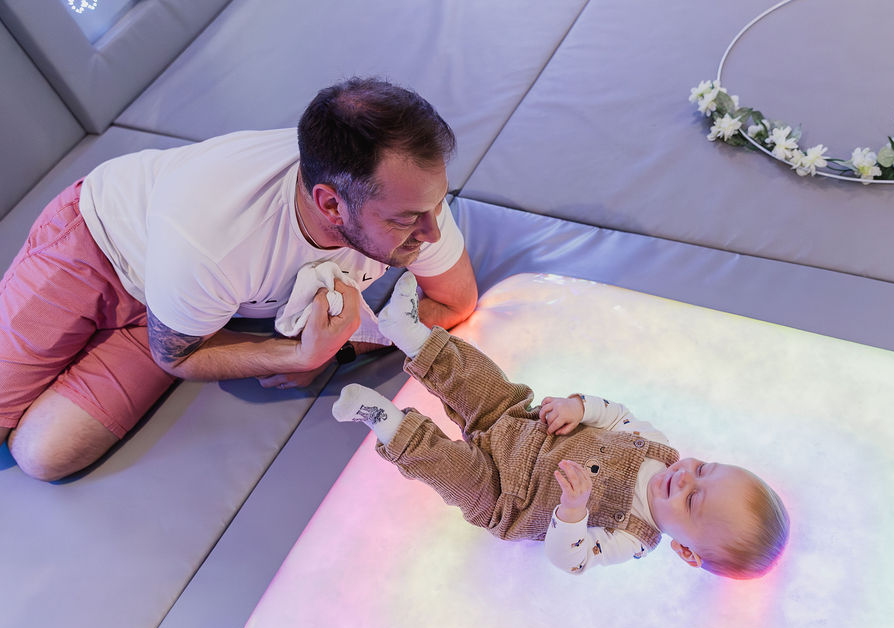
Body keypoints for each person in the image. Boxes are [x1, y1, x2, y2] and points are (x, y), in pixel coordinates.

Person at [0, 77, 478, 481]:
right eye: (408, 218)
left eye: (437, 203)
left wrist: (345, 350)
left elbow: (455, 301)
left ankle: (176, 312)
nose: (432, 231)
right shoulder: (216, 235)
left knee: (44, 455)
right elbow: (175, 355)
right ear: (331, 204)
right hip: (98, 247)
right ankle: (176, 311)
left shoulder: (408, 196)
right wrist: (299, 353)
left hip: (190, 308)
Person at [333, 273, 789, 579]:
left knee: (453, 472)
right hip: (523, 428)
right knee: (486, 385)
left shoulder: (632, 538)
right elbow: (618, 415)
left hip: (506, 498)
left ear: (686, 551)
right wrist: (579, 407)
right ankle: (411, 333)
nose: (685, 477)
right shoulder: (658, 448)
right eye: (705, 468)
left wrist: (572, 510)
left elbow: (567, 559)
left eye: (691, 500)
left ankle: (384, 421)